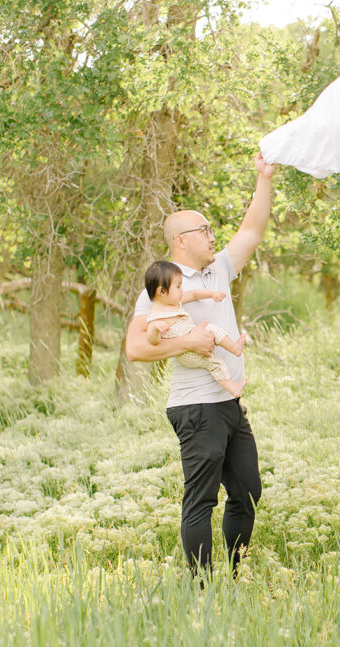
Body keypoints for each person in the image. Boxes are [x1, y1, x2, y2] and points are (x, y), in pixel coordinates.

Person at [125, 153, 276, 576]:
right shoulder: (162, 288)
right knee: (202, 500)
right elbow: (135, 349)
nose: (213, 237)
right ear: (180, 241)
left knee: (247, 492)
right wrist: (187, 342)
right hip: (195, 408)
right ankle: (200, 589)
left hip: (228, 404)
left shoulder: (219, 270)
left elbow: (253, 228)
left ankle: (234, 573)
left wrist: (263, 179)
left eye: (212, 229)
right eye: (204, 230)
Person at [143, 260, 248, 398]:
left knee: (211, 328)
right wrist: (156, 329)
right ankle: (232, 388)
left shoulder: (175, 302)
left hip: (194, 334)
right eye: (178, 286)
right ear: (161, 291)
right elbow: (152, 340)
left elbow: (193, 294)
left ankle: (234, 348)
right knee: (213, 362)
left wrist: (212, 294)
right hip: (187, 353)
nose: (182, 290)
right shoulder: (155, 316)